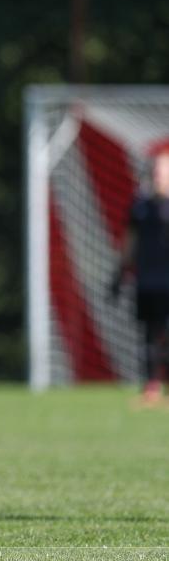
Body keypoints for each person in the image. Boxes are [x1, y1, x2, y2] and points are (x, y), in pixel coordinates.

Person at [113, 141, 169, 405]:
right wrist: (119, 273)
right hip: (148, 281)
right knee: (148, 337)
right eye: (156, 169)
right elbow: (129, 241)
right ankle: (151, 389)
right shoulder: (141, 206)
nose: (158, 174)